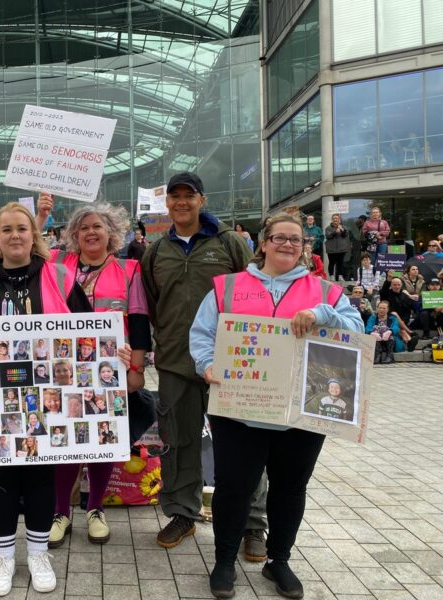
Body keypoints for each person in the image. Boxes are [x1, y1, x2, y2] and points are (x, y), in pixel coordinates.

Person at [188, 212, 362, 599]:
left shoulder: (325, 292)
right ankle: (224, 561)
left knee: (290, 488)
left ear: (304, 248)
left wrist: (322, 314)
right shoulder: (227, 287)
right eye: (279, 237)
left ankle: (278, 561)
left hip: (300, 412)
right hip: (238, 410)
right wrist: (207, 364)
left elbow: (357, 330)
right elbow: (202, 333)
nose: (287, 244)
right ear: (262, 243)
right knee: (233, 488)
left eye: (295, 240)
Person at [0, 201, 91, 597]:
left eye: (21, 229)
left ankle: (39, 553)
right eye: (6, 229)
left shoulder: (61, 278)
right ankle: (5, 557)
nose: (14, 236)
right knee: (3, 480)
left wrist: (117, 353)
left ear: (33, 234)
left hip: (48, 398)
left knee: (41, 478)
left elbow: (90, 334)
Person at [139, 172, 255, 551]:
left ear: (202, 200)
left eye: (190, 195)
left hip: (230, 361)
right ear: (167, 203)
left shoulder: (230, 243)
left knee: (243, 441)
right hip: (176, 361)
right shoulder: (155, 252)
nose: (182, 202)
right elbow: (156, 304)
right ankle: (182, 513)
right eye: (175, 196)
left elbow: (252, 293)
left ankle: (253, 522)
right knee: (179, 440)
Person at [325, 213, 350, 282]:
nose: (335, 220)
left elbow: (345, 235)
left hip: (341, 249)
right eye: (334, 218)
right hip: (331, 249)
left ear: (339, 220)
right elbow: (328, 236)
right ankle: (331, 276)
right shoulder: (328, 228)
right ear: (332, 220)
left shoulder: (343, 227)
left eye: (337, 218)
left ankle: (340, 276)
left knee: (340, 263)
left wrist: (342, 229)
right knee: (331, 263)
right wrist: (335, 232)